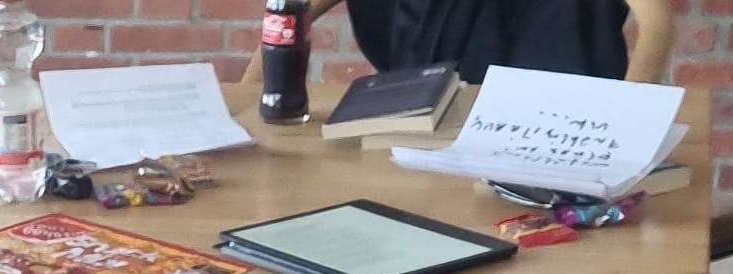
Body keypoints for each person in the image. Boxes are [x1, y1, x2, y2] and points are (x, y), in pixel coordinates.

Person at [245, 0, 672, 86]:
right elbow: (290, 12)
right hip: (417, 130)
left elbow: (657, 21)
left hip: (560, 132)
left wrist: (626, 121)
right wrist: (252, 94)